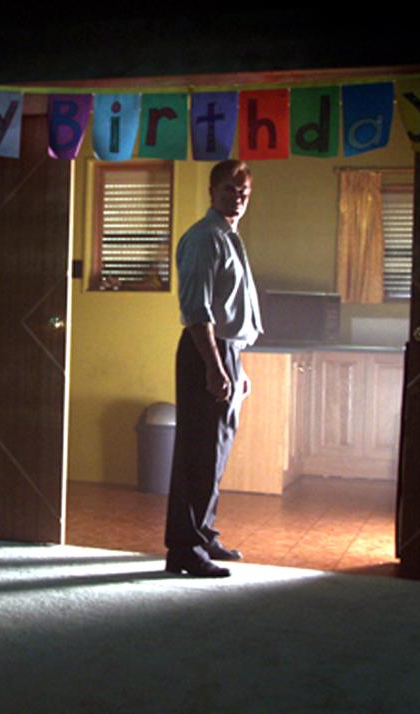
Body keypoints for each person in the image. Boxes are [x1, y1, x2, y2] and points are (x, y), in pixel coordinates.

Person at [164, 159, 263, 578]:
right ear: (212, 192)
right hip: (205, 352)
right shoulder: (204, 239)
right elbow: (197, 312)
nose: (237, 199)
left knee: (215, 452)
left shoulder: (229, 236)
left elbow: (230, 313)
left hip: (226, 353)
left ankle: (203, 535)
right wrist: (214, 367)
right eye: (228, 190)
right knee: (197, 452)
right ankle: (183, 550)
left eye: (243, 193)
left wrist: (236, 368)